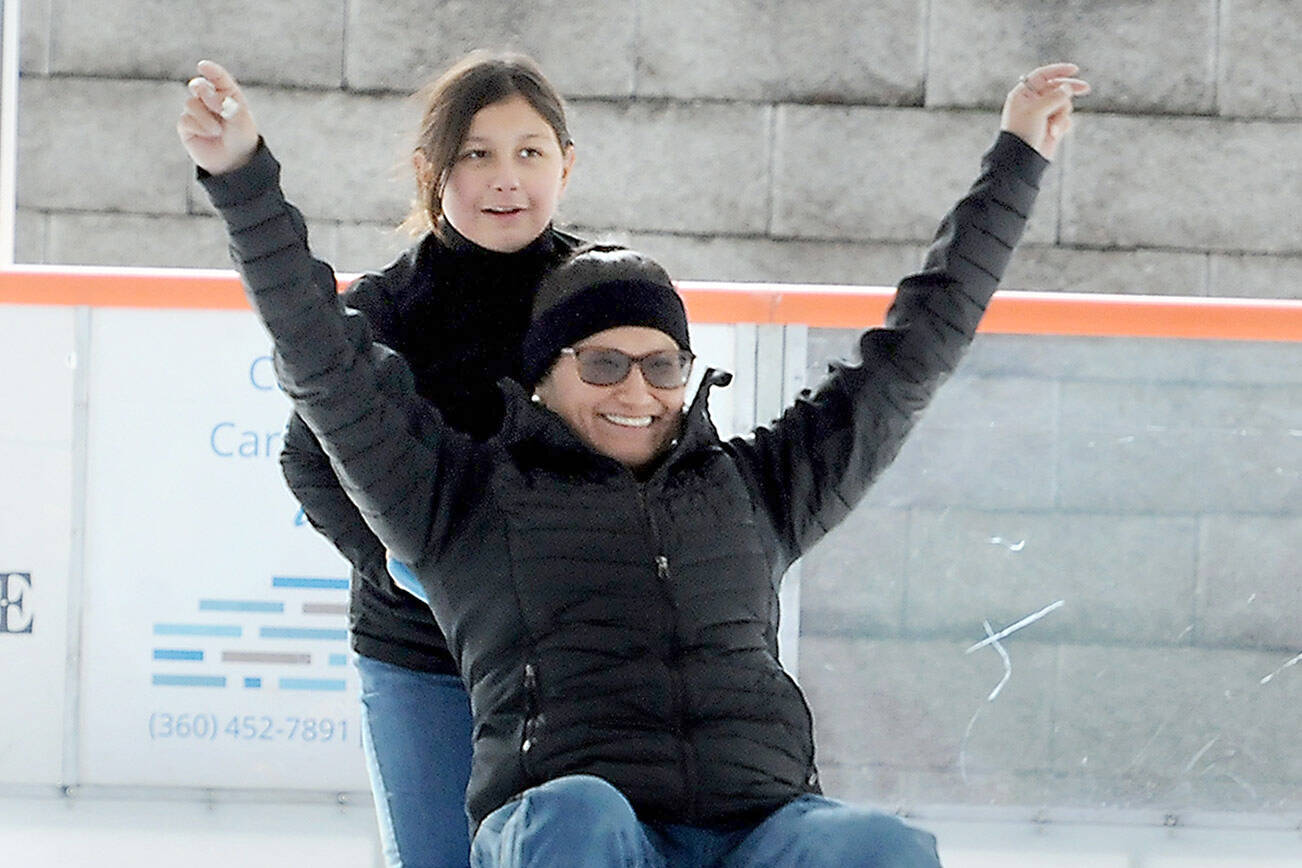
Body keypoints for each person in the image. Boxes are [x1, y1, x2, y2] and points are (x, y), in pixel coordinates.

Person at [180, 58, 1088, 866]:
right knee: (565, 821)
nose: (636, 390)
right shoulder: (470, 490)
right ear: (540, 380)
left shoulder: (740, 489)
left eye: (662, 366)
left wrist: (1017, 161)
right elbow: (322, 375)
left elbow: (911, 356)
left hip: (743, 817)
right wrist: (412, 564)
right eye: (603, 365)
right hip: (446, 647)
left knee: (878, 847)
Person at [178, 53, 583, 867]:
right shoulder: (385, 309)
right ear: (430, 172)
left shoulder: (605, 297)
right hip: (420, 659)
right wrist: (402, 565)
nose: (506, 177)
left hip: (572, 661)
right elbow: (309, 462)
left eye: (529, 152)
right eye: (477, 153)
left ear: (566, 166)